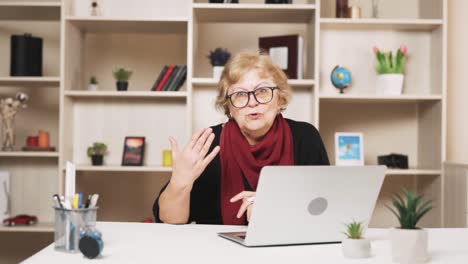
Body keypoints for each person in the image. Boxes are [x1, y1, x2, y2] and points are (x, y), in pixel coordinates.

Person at [153, 51, 329, 225]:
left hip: (288, 248)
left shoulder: (305, 137)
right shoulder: (209, 144)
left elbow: (324, 208)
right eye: (240, 94)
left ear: (280, 100)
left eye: (262, 91)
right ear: (228, 107)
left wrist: (272, 205)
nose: (252, 102)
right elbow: (170, 220)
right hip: (218, 249)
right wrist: (180, 183)